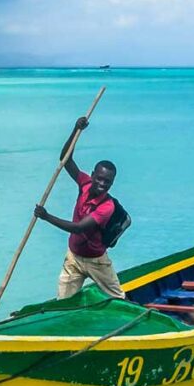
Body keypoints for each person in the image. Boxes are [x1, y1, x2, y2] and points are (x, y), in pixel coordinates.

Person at [34, 116, 123, 299]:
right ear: (92, 175)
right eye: (99, 178)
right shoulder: (84, 183)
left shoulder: (107, 207)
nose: (101, 184)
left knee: (119, 298)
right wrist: (76, 129)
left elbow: (78, 228)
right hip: (73, 258)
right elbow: (65, 159)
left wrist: (46, 216)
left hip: (96, 261)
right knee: (63, 302)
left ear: (111, 184)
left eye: (107, 182)